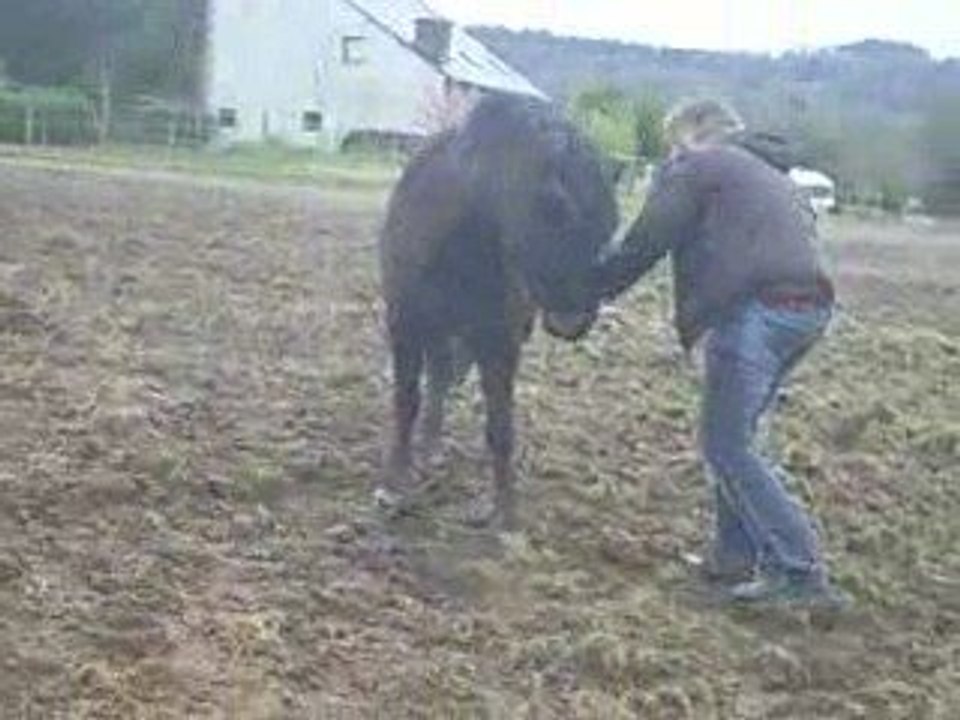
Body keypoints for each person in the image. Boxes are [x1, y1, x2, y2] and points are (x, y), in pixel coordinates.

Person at [594, 99, 850, 608]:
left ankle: (799, 570)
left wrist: (592, 286)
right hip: (807, 311)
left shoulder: (702, 165)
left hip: (753, 310)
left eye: (673, 144)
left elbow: (649, 239)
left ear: (693, 133)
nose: (671, 157)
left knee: (727, 445)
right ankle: (734, 556)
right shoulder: (770, 175)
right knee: (740, 438)